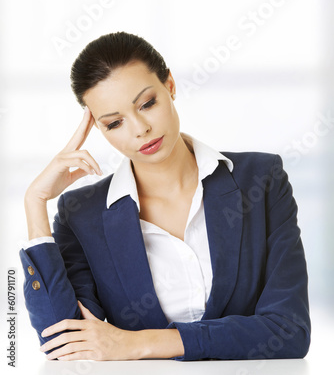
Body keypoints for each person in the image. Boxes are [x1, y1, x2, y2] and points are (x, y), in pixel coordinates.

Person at [20, 32, 311, 361]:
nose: (140, 128)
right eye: (115, 123)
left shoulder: (261, 178)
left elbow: (290, 330)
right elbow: (63, 341)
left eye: (147, 104)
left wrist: (139, 343)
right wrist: (35, 202)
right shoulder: (82, 215)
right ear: (100, 129)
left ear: (169, 85)